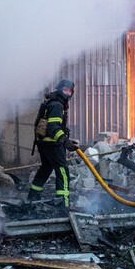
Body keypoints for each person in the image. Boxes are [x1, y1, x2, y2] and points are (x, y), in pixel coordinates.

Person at [27, 79, 79, 209]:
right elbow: (53, 127)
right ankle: (63, 202)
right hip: (52, 145)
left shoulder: (52, 102)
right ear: (59, 89)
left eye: (70, 91)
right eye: (65, 90)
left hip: (43, 143)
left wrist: (65, 139)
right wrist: (65, 141)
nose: (67, 93)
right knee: (62, 170)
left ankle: (33, 196)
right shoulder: (56, 105)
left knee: (46, 169)